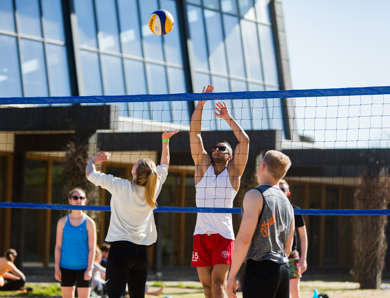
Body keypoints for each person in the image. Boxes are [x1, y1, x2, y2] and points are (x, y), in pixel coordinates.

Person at [86, 130, 178, 298]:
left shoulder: (120, 185)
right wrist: (165, 141)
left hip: (120, 250)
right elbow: (165, 164)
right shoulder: (154, 188)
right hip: (141, 253)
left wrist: (93, 160)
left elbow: (90, 174)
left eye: (136, 164)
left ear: (134, 173)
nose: (134, 165)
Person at [189, 84, 250, 298]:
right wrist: (201, 104)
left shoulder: (233, 173)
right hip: (200, 234)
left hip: (223, 235)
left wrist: (227, 117)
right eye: (215, 147)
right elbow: (195, 132)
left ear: (230, 156)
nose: (216, 149)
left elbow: (245, 141)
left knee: (218, 285)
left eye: (222, 148)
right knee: (207, 289)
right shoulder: (202, 167)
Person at [226, 150, 295, 298]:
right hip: (283, 269)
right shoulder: (288, 204)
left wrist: (232, 276)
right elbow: (288, 248)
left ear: (261, 166)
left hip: (261, 269)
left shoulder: (254, 195)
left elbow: (244, 238)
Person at [54, 188, 97, 298]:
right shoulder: (62, 222)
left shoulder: (89, 223)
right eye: (75, 197)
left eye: (81, 198)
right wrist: (57, 268)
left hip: (83, 268)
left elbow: (92, 248)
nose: (79, 200)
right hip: (65, 267)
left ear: (85, 201)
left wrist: (89, 269)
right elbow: (58, 247)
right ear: (70, 200)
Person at [279, 179, 308, 298]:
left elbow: (303, 235)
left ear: (288, 193)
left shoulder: (296, 210)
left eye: (282, 189)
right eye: (277, 189)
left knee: (294, 290)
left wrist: (303, 258)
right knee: (277, 290)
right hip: (275, 254)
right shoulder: (269, 209)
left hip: (291, 254)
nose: (280, 192)